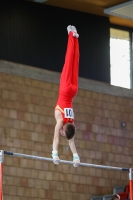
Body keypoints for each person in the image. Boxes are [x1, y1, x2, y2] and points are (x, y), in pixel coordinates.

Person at [52, 25, 80, 167]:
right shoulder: (61, 121)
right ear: (63, 129)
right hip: (65, 89)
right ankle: (70, 34)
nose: (61, 133)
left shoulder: (72, 123)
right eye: (63, 132)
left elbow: (71, 140)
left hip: (74, 90)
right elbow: (56, 138)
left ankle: (75, 38)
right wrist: (54, 154)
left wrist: (76, 157)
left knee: (75, 63)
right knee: (68, 61)